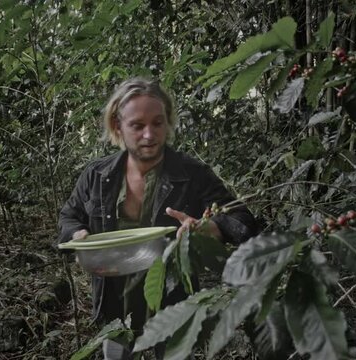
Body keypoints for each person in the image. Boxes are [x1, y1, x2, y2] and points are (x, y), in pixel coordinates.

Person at [58, 77, 256, 359]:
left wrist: (209, 227)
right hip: (115, 308)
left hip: (173, 306)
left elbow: (243, 220)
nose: (149, 135)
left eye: (158, 123)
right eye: (137, 126)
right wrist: (78, 236)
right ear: (118, 126)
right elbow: (69, 217)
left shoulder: (193, 173)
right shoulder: (97, 176)